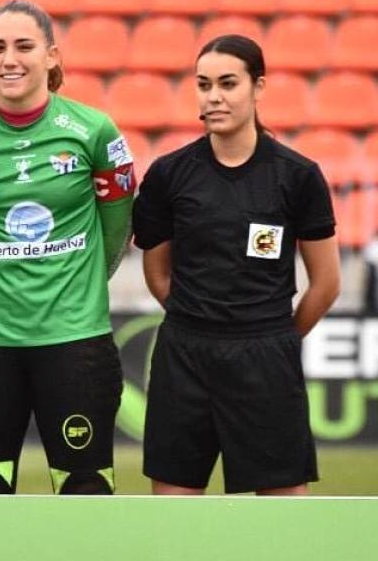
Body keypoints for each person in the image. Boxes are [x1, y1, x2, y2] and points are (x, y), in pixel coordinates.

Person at [133, 34, 341, 495]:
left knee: (281, 513)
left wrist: (273, 334)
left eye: (228, 83)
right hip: (184, 355)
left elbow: (326, 284)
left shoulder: (297, 176)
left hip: (266, 359)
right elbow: (157, 273)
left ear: (258, 87)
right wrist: (199, 319)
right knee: (173, 509)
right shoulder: (169, 174)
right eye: (204, 84)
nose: (214, 96)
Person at [0, 0, 133, 494]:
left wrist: (76, 285)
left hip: (75, 340)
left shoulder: (96, 131)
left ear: (50, 56)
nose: (10, 59)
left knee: (85, 488)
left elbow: (116, 231)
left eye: (24, 46)